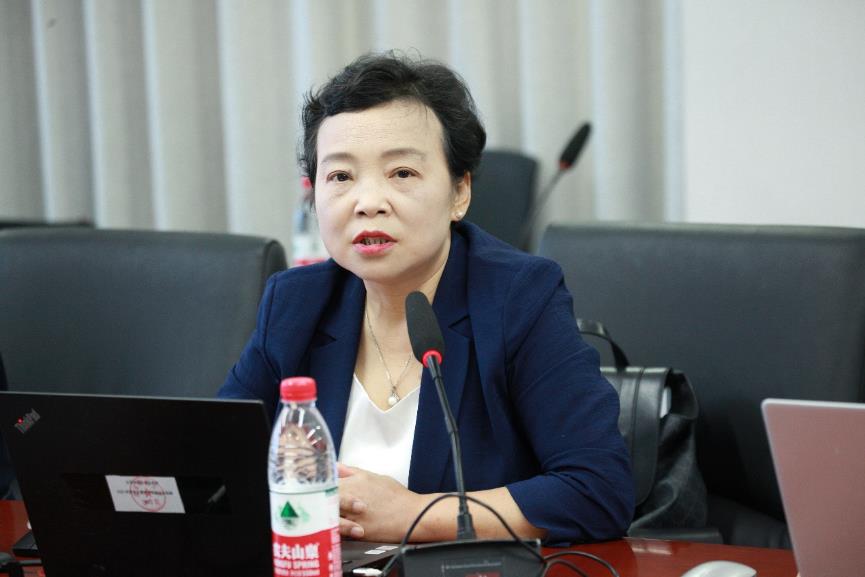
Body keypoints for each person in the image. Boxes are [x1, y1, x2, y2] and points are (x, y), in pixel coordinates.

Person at [219, 51, 634, 544]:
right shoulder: (296, 304)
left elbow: (597, 491)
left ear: (460, 193)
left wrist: (418, 515)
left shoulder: (517, 298)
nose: (368, 202)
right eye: (340, 177)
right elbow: (215, 469)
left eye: (401, 173)